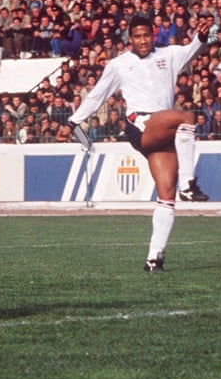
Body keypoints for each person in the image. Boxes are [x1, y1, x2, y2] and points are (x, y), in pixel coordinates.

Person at [67, 14, 213, 272]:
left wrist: (201, 36)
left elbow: (193, 49)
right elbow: (98, 95)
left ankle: (154, 258)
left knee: (166, 195)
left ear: (153, 35)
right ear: (130, 39)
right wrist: (75, 120)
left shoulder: (169, 54)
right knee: (187, 118)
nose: (143, 40)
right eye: (137, 36)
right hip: (140, 125)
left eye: (146, 35)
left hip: (162, 130)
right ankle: (188, 184)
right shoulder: (119, 64)